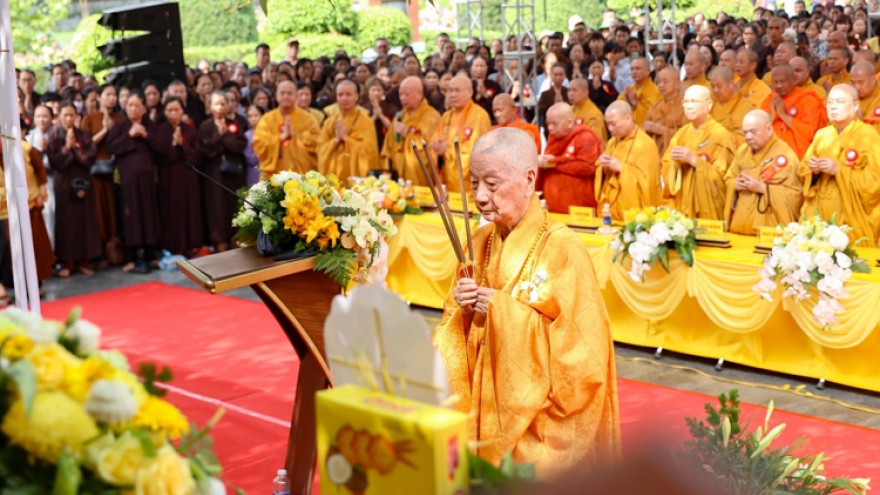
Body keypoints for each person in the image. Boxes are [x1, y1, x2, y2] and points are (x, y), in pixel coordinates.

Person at [434, 127, 621, 480]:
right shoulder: (478, 242)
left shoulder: (563, 250)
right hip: (483, 410)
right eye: (474, 184)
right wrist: (463, 310)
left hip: (535, 419)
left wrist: (504, 313)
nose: (481, 196)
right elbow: (450, 333)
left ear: (529, 179)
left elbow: (585, 356)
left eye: (492, 183)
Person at [799, 84, 880, 246]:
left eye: (840, 102)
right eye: (830, 102)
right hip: (818, 211)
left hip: (849, 216)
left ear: (856, 105)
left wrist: (838, 170)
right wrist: (812, 171)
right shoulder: (822, 134)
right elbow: (803, 169)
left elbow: (875, 182)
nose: (834, 106)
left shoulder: (867, 135)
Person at [106, 91, 163, 273]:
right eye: (130, 105)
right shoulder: (120, 126)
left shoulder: (150, 126)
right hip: (128, 182)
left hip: (148, 181)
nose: (133, 109)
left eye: (137, 105)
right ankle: (131, 257)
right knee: (131, 217)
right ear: (125, 107)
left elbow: (163, 147)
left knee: (149, 215)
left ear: (144, 109)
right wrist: (129, 136)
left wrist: (147, 136)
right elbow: (111, 147)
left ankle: (150, 255)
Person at [661, 85, 736, 220]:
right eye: (686, 102)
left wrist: (695, 161)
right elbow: (665, 166)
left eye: (694, 101)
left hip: (707, 209)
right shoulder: (681, 134)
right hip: (682, 205)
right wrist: (675, 165)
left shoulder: (720, 134)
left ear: (709, 105)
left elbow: (724, 178)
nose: (689, 106)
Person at [724, 110, 803, 236]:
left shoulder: (785, 155)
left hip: (768, 235)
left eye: (753, 131)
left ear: (769, 129)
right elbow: (728, 179)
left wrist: (763, 188)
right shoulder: (742, 151)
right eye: (745, 132)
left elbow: (795, 195)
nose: (748, 137)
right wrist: (734, 184)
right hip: (738, 229)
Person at [46, 102, 101, 277]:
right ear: (59, 117)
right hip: (64, 185)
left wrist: (74, 150)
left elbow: (90, 158)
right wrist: (67, 148)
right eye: (65, 115)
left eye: (72, 115)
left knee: (86, 221)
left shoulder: (84, 136)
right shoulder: (54, 138)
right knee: (66, 223)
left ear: (77, 116)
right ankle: (67, 262)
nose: (69, 119)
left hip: (83, 182)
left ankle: (85, 261)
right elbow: (55, 163)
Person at [150, 96, 204, 256]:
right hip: (168, 178)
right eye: (169, 110)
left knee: (190, 210)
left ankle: (192, 245)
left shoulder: (191, 130)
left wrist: (183, 145)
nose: (173, 113)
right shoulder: (159, 131)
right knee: (171, 211)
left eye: (176, 110)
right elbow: (159, 156)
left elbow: (196, 154)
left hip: (188, 177)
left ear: (182, 111)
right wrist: (173, 145)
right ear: (164, 112)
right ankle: (173, 247)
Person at [80, 84, 125, 262]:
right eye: (108, 94)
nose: (112, 98)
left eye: (114, 94)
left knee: (117, 209)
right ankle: (101, 252)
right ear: (98, 97)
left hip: (117, 170)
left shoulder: (121, 118)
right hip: (96, 172)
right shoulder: (89, 119)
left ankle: (117, 249)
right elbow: (85, 145)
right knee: (99, 210)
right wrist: (105, 130)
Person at [198, 91, 248, 252]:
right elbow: (206, 150)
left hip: (234, 176)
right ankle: (220, 250)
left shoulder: (235, 124)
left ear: (228, 106)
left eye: (222, 104)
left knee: (234, 209)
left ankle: (236, 249)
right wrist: (218, 136)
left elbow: (239, 146)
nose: (219, 107)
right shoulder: (205, 126)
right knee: (217, 212)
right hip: (214, 176)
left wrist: (225, 135)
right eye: (216, 104)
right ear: (209, 106)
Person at [596, 101, 662, 220]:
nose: (610, 129)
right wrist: (603, 164)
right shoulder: (612, 142)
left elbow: (648, 182)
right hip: (609, 210)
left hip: (633, 214)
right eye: (607, 124)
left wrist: (621, 168)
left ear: (628, 118)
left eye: (614, 124)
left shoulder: (645, 144)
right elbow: (606, 175)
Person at [0, 139, 54, 285]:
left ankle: (36, 282)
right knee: (9, 247)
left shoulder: (23, 147)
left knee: (36, 244)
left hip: (30, 203)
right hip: (5, 209)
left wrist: (42, 193)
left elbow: (39, 168)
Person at [429, 74, 492, 193]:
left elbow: (475, 153)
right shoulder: (446, 116)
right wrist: (436, 149)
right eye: (450, 90)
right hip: (447, 183)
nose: (452, 95)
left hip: (470, 187)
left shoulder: (479, 116)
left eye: (457, 90)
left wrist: (447, 150)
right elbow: (435, 144)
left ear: (470, 92)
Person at [539, 102, 604, 212]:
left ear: (569, 122)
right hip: (552, 206)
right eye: (548, 124)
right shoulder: (553, 137)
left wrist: (555, 163)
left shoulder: (585, 136)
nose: (550, 128)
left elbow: (587, 167)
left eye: (554, 124)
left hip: (578, 208)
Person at [381, 76, 441, 185]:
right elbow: (388, 148)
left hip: (420, 176)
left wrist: (407, 134)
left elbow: (430, 148)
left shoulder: (431, 116)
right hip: (398, 175)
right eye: (400, 94)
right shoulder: (400, 116)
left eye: (407, 94)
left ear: (419, 93)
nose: (402, 98)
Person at [253, 80, 319, 177]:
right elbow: (259, 146)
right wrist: (280, 138)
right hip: (272, 176)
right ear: (276, 96)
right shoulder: (267, 119)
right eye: (282, 93)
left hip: (301, 175)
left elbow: (317, 144)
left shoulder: (308, 119)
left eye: (289, 93)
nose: (286, 97)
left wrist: (296, 137)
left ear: (296, 96)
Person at [761, 64, 827, 158]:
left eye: (782, 81)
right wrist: (773, 115)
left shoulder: (808, 101)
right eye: (775, 82)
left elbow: (810, 134)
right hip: (770, 157)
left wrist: (783, 115)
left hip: (798, 159)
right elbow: (759, 131)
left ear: (794, 79)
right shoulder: (770, 100)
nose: (779, 86)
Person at [317, 80, 379, 179]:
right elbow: (320, 149)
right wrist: (336, 140)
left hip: (356, 177)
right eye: (340, 95)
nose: (344, 98)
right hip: (334, 175)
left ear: (356, 96)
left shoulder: (366, 122)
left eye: (348, 94)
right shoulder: (329, 122)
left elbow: (369, 152)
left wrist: (346, 138)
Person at [25, 105, 55, 248]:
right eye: (38, 116)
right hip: (34, 184)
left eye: (45, 116)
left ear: (51, 118)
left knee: (51, 213)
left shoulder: (57, 135)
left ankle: (53, 252)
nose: (41, 120)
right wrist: (39, 152)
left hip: (52, 180)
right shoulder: (29, 137)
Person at [643, 68, 688, 157]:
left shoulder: (686, 106)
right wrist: (646, 128)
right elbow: (642, 131)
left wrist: (663, 131)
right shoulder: (655, 106)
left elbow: (689, 135)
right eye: (659, 82)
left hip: (674, 156)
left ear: (677, 84)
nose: (661, 85)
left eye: (665, 81)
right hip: (654, 155)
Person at [709, 66, 755, 148]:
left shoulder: (744, 107)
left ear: (731, 84)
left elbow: (743, 139)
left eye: (719, 86)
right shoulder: (711, 103)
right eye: (712, 87)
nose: (715, 90)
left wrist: (717, 134)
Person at [617, 57, 661, 126]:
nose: (634, 72)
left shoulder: (657, 92)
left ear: (648, 71)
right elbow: (617, 112)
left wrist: (636, 103)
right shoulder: (628, 91)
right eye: (632, 69)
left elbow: (656, 117)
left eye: (638, 68)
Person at [365, 77, 398, 153]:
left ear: (383, 92)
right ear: (368, 93)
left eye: (379, 90)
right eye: (373, 90)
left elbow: (394, 129)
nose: (376, 93)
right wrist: (374, 117)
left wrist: (381, 116)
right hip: (369, 147)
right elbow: (362, 130)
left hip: (387, 147)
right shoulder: (363, 109)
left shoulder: (392, 109)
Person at [568, 78, 607, 143]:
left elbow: (594, 141)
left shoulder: (594, 114)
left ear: (586, 93)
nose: (570, 94)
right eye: (569, 90)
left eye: (574, 90)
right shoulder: (569, 110)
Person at [849, 61, 880, 135]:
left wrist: (860, 122)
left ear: (873, 79)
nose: (857, 87)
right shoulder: (848, 94)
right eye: (853, 83)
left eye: (861, 82)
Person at [470, 55, 503, 121]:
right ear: (471, 68)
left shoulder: (494, 85)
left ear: (487, 67)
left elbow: (500, 106)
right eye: (476, 66)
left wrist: (485, 95)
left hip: (492, 120)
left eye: (482, 66)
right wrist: (478, 97)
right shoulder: (467, 85)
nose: (479, 68)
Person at [244, 104, 266, 186]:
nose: (253, 119)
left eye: (256, 115)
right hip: (253, 173)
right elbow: (250, 159)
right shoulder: (246, 136)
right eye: (250, 116)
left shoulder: (269, 134)